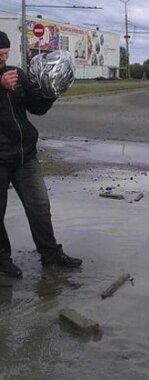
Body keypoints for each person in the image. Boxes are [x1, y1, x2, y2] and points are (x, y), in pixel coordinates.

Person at [0, 30, 82, 278]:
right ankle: (2, 259)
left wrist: (51, 90)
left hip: (25, 155)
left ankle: (50, 255)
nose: (3, 60)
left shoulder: (16, 74)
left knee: (40, 207)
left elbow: (36, 108)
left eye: (5, 54)